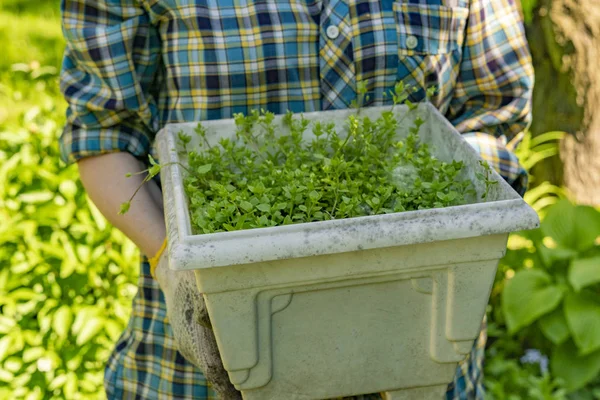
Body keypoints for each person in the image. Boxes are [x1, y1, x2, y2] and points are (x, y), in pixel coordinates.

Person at [58, 0, 533, 398]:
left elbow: (492, 110)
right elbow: (104, 132)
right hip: (201, 364)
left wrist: (440, 230)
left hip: (419, 350)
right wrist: (170, 259)